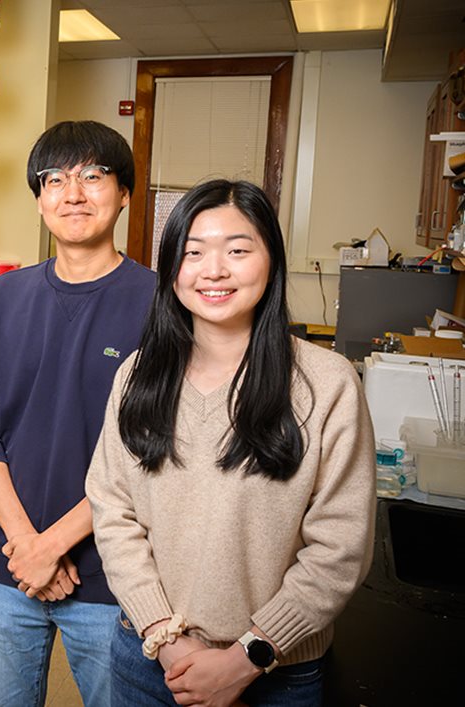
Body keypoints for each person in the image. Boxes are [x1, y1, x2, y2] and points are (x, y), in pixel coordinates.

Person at [86, 179, 376, 707]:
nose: (213, 271)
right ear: (172, 267)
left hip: (279, 673)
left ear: (271, 259)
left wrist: (248, 656)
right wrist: (166, 640)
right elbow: (112, 510)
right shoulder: (138, 375)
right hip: (148, 658)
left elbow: (340, 547)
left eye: (237, 250)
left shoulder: (326, 384)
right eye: (193, 253)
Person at [0, 120, 156, 706]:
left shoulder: (162, 302)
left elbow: (157, 448)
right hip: (6, 567)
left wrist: (57, 545)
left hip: (111, 572)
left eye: (93, 176)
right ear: (40, 196)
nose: (73, 193)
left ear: (123, 193)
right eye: (56, 179)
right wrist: (27, 544)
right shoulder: (4, 298)